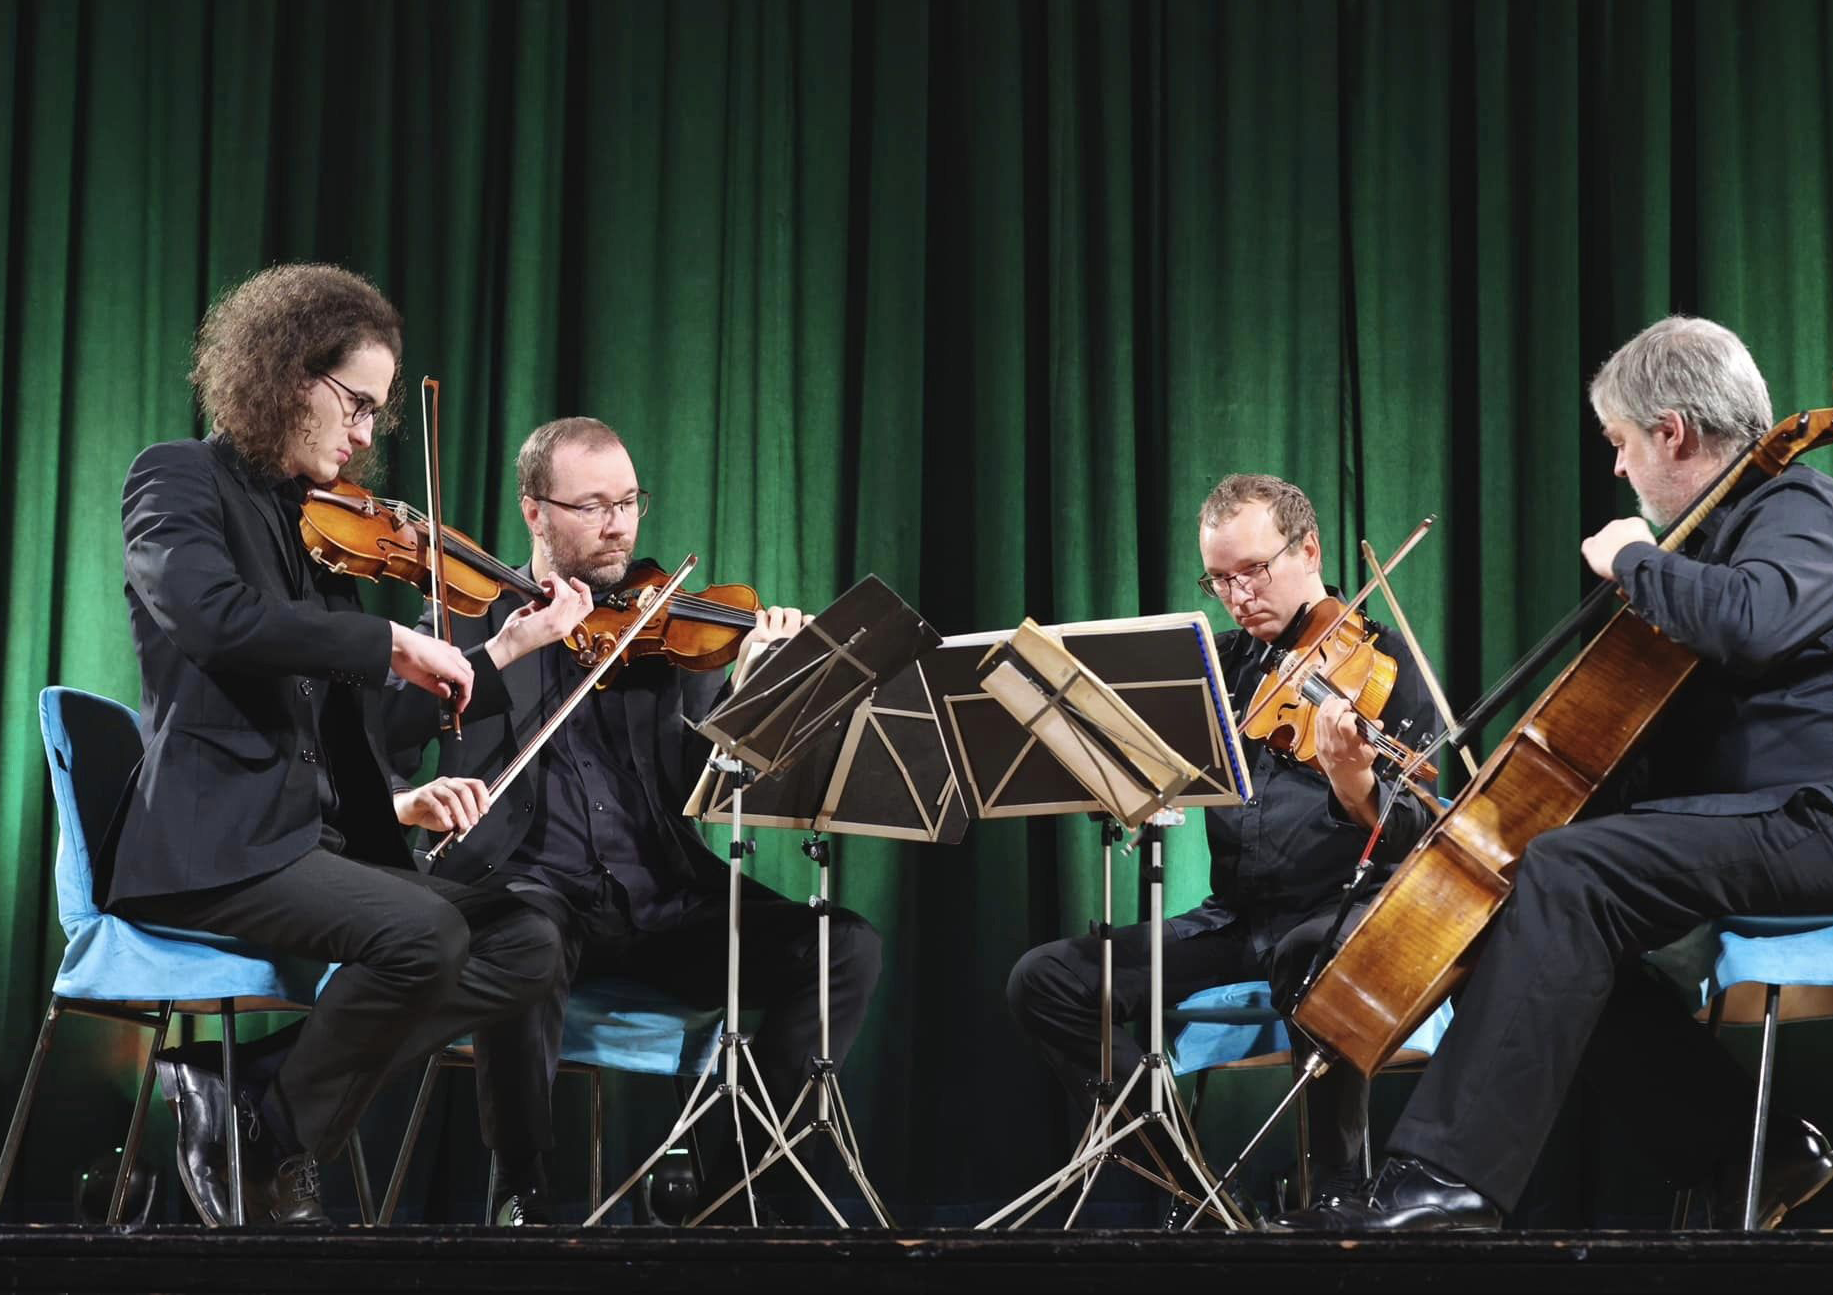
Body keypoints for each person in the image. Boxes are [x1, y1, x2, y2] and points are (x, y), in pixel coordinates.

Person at [1287, 316, 1833, 1232]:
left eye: (1622, 443)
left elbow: (1750, 621)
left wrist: (1633, 556)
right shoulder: (1713, 550)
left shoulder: (1801, 508)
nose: (1620, 468)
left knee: (1570, 873)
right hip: (1778, 819)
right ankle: (1747, 1149)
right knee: (1523, 899)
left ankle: (1450, 1177)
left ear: (1672, 432)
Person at [100, 263, 568, 1226]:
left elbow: (361, 725)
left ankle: (259, 1100)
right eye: (357, 404)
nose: (364, 435)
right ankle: (277, 1138)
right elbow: (214, 619)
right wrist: (389, 640)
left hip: (307, 840)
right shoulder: (175, 477)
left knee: (527, 940)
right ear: (288, 372)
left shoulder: (319, 528)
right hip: (212, 842)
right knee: (423, 934)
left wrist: (500, 652)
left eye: (376, 417)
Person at [388, 416, 883, 1225]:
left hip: (660, 900)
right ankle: (522, 1192)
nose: (618, 525)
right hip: (529, 890)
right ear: (534, 512)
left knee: (844, 946)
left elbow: (707, 785)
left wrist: (755, 691)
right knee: (528, 939)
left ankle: (728, 1190)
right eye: (592, 506)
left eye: (628, 502)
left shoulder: (665, 632)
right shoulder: (469, 625)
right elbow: (382, 747)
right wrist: (412, 798)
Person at [1005, 473, 1445, 1223]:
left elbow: (1419, 823)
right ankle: (1196, 1191)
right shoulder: (1220, 666)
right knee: (1045, 979)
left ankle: (1337, 1195)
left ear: (1309, 550)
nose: (1238, 596)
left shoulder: (1388, 666)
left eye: (1254, 571)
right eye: (1219, 580)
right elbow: (1153, 770)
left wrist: (1353, 783)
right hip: (1237, 920)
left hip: (1349, 915)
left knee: (1311, 957)